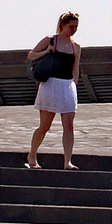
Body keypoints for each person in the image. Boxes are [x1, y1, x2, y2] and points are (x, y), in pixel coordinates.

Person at [26, 12, 82, 170]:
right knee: (45, 125)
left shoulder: (76, 46)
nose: (73, 30)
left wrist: (74, 86)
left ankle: (67, 161)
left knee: (69, 125)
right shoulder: (50, 40)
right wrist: (47, 51)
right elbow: (31, 55)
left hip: (67, 86)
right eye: (71, 26)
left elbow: (75, 69)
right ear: (63, 25)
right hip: (50, 84)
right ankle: (32, 154)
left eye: (76, 27)